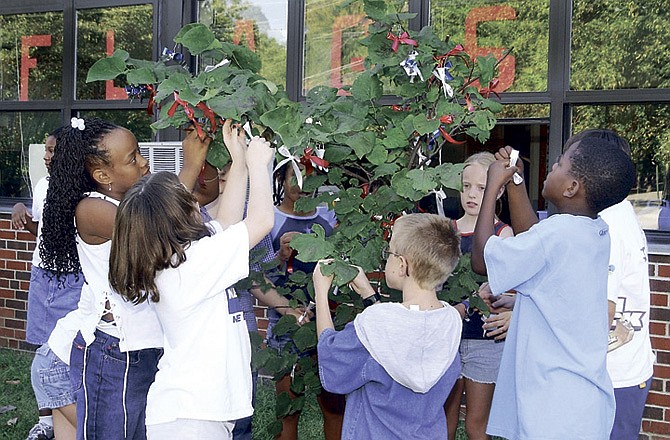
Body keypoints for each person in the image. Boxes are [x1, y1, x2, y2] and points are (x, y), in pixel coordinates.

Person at [42, 117, 209, 440]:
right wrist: (189, 166)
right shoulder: (92, 209)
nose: (144, 163)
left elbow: (208, 192)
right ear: (103, 175)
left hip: (150, 342)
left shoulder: (139, 199)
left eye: (140, 152)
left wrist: (208, 157)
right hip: (115, 350)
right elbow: (157, 230)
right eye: (133, 158)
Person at [108, 131, 275, 439]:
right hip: (190, 419)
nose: (197, 200)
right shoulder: (191, 267)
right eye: (189, 200)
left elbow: (226, 224)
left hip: (192, 414)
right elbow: (262, 220)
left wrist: (239, 161)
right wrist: (259, 166)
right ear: (180, 217)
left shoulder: (182, 260)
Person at [471, 136, 636, 439]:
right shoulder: (594, 231)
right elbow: (536, 240)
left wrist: (493, 186)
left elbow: (482, 260)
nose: (551, 166)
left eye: (559, 163)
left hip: (550, 409)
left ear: (572, 187)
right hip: (581, 406)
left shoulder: (557, 235)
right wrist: (516, 182)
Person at [313, 213, 463, 439]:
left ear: (403, 265)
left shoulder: (376, 323)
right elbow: (403, 330)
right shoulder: (450, 322)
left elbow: (332, 363)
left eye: (390, 253)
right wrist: (368, 294)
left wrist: (321, 294)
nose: (387, 259)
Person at [193, 160, 309, 440]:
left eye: (235, 181)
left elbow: (262, 273)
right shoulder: (191, 217)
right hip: (201, 333)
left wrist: (281, 259)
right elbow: (251, 279)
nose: (227, 187)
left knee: (243, 413)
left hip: (242, 329)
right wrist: (287, 307)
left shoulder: (249, 217)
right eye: (223, 179)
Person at [567, 129, 655, 440]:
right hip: (616, 371)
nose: (561, 167)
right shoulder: (617, 213)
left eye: (569, 160)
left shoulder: (608, 224)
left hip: (614, 375)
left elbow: (599, 311)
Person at [12, 129, 82, 440]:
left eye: (52, 151)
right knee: (43, 347)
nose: (46, 156)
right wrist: (21, 214)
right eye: (46, 150)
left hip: (74, 279)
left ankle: (73, 414)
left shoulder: (84, 191)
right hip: (43, 276)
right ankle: (47, 422)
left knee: (67, 350)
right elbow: (40, 231)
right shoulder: (43, 186)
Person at [268, 161, 345, 440]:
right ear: (281, 180)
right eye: (295, 178)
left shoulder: (330, 216)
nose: (302, 186)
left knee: (334, 406)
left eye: (309, 179)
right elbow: (259, 276)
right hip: (287, 323)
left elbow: (343, 268)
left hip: (328, 323)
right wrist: (281, 257)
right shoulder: (270, 219)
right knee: (288, 408)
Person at [444, 152, 513, 440]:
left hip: (485, 339)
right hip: (446, 335)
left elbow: (506, 289)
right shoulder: (446, 230)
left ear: (498, 190)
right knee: (443, 416)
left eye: (482, 188)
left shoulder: (503, 233)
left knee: (476, 423)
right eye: (466, 186)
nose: (472, 194)